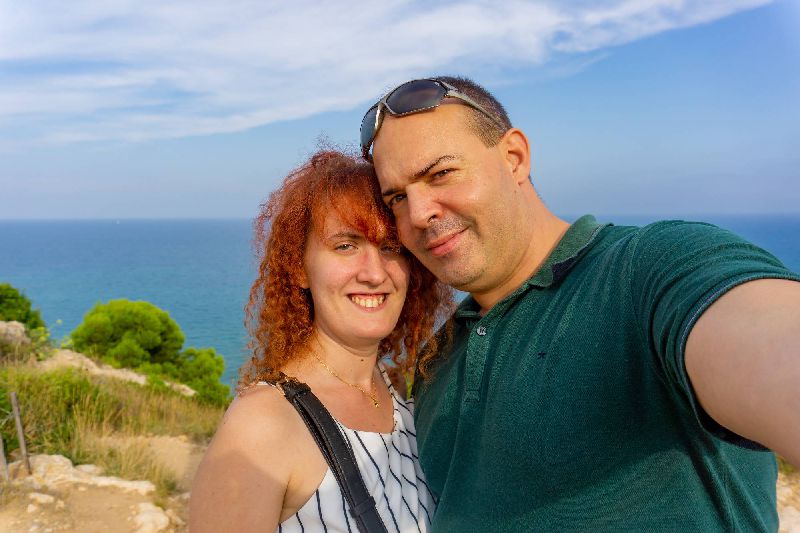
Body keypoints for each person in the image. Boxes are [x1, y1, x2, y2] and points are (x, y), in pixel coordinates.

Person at [360, 76, 800, 531]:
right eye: (398, 198)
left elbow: (767, 338)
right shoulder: (437, 359)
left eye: (440, 174)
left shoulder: (647, 270)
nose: (418, 214)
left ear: (514, 158)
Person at [189, 150, 451, 532]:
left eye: (391, 248)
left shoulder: (394, 389)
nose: (375, 274)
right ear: (299, 268)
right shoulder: (263, 425)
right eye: (346, 246)